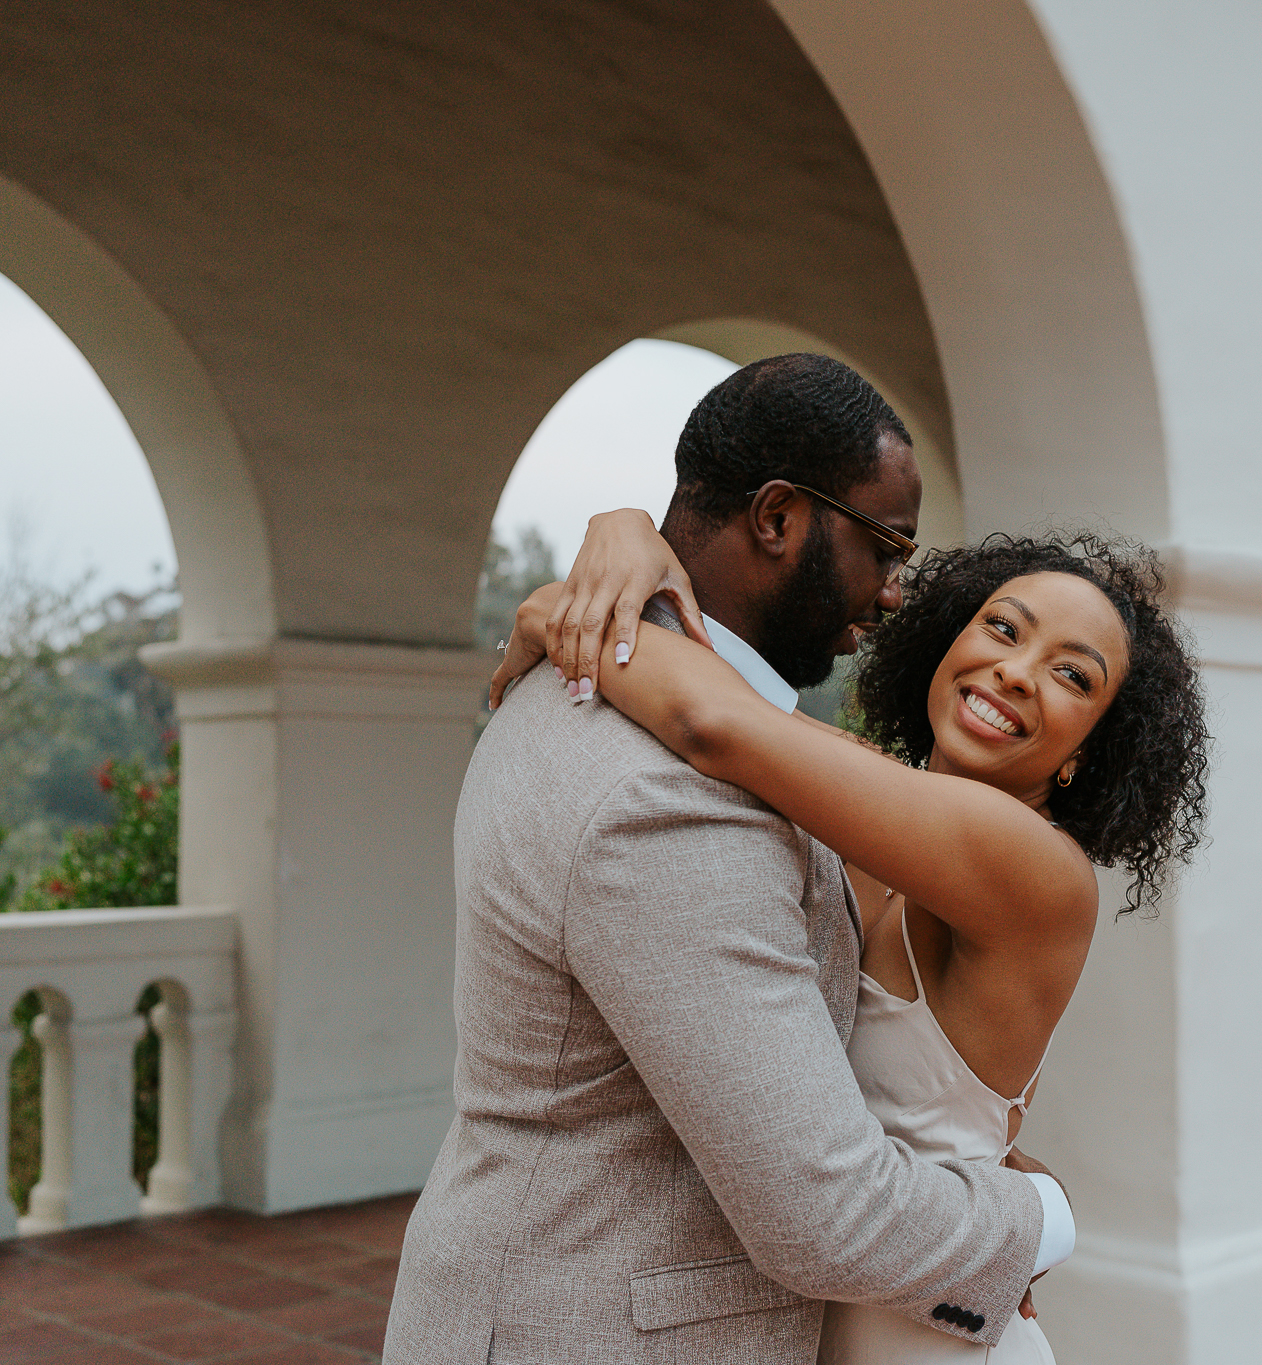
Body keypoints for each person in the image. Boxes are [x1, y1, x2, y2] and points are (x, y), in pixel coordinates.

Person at [384, 354, 1078, 1365]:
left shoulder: (624, 688)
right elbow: (825, 1217)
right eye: (884, 544)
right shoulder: (667, 790)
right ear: (777, 519)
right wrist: (1038, 1214)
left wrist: (608, 549)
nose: (891, 596)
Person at [497, 511, 1210, 1361]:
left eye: (1071, 676)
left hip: (925, 1341)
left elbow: (715, 722)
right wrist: (620, 537)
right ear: (949, 640)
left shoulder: (1038, 872)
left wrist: (570, 608)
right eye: (1003, 627)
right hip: (808, 1316)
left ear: (1085, 753)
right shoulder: (867, 806)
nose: (1016, 671)